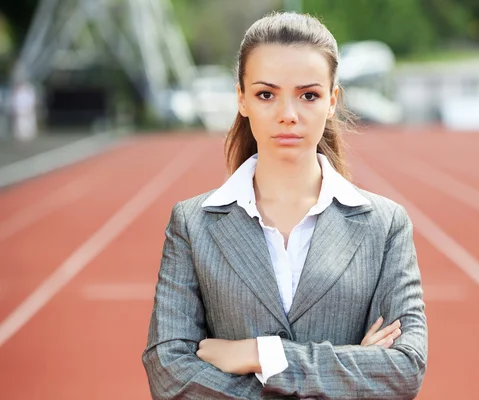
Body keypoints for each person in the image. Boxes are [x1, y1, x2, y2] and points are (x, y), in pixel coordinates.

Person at [142, 11, 427, 400]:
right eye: (266, 94)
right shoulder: (193, 224)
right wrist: (349, 368)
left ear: (332, 101)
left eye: (308, 95)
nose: (288, 115)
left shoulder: (385, 225)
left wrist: (262, 354)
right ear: (241, 99)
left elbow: (403, 370)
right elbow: (169, 373)